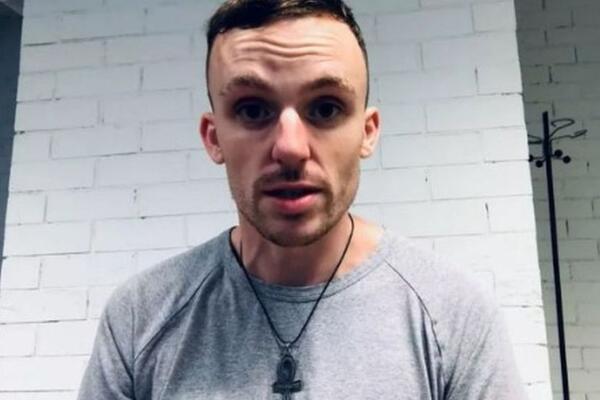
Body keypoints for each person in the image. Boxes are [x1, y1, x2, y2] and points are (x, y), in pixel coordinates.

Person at [78, 1, 527, 399]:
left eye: (325, 108)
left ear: (367, 132)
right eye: (253, 110)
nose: (290, 148)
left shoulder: (453, 314)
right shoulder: (140, 317)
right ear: (213, 138)